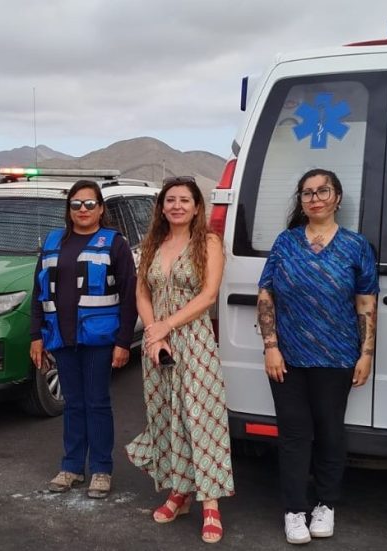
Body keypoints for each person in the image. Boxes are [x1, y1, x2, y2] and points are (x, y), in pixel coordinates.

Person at [256, 168, 379, 545]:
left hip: (338, 356)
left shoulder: (356, 246)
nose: (315, 198)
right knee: (294, 435)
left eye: (322, 190)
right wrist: (271, 346)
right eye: (307, 193)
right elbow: (266, 296)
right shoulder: (286, 242)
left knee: (329, 433)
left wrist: (366, 352)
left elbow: (366, 302)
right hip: (288, 358)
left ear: (337, 197)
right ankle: (294, 510)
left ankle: (325, 504)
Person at [126, 175, 234, 544]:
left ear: (196, 206)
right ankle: (178, 492)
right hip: (158, 345)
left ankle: (211, 505)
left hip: (194, 340)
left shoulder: (208, 242)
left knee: (201, 419)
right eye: (170, 200)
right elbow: (142, 290)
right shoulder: (153, 242)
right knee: (165, 416)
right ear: (161, 207)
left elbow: (208, 296)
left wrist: (165, 326)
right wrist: (154, 333)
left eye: (184, 200)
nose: (176, 206)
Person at [29, 180, 137, 499]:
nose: (83, 210)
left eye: (90, 204)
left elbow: (130, 296)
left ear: (101, 209)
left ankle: (101, 469)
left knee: (97, 403)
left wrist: (122, 342)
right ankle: (72, 466)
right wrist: (36, 336)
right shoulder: (51, 242)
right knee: (73, 404)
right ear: (69, 209)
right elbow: (39, 293)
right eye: (76, 204)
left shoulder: (114, 243)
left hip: (99, 340)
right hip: (62, 338)